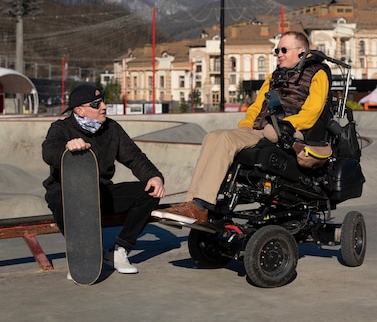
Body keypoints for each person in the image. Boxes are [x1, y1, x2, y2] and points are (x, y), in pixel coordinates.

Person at [152, 31, 331, 225]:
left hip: (289, 132)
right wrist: (246, 124)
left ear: (301, 51)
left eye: (284, 50)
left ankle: (202, 205)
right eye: (277, 50)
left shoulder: (318, 73)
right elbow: (256, 106)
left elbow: (313, 110)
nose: (279, 53)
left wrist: (287, 125)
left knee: (227, 140)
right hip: (262, 129)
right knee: (213, 136)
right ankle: (191, 203)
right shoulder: (274, 76)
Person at [42, 83, 165, 276]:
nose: (104, 106)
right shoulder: (61, 128)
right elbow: (48, 151)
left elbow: (133, 156)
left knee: (150, 191)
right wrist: (67, 147)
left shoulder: (111, 129)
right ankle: (83, 254)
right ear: (79, 110)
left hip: (100, 192)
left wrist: (153, 176)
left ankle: (119, 250)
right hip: (68, 192)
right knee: (59, 198)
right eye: (96, 104)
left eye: (103, 101)